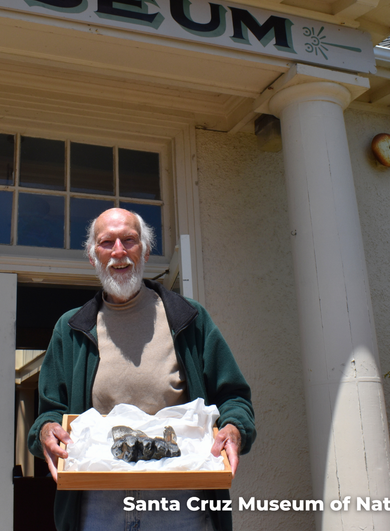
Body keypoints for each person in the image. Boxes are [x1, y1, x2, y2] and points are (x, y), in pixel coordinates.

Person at [28, 208, 255, 531]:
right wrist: (47, 432)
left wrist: (234, 429)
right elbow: (48, 415)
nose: (118, 252)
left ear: (146, 250)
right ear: (93, 257)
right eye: (106, 243)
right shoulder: (71, 328)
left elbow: (234, 398)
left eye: (129, 240)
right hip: (97, 502)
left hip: (180, 497)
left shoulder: (189, 319)